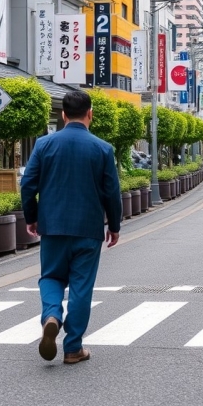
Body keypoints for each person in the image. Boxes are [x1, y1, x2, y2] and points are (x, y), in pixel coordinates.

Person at [20, 91, 122, 365]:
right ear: (90, 113)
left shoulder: (44, 145)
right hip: (88, 229)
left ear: (63, 115)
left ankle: (51, 315)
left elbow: (27, 184)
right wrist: (114, 225)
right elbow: (112, 192)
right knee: (81, 287)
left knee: (51, 277)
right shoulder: (102, 148)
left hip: (52, 226)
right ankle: (73, 347)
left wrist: (32, 216)